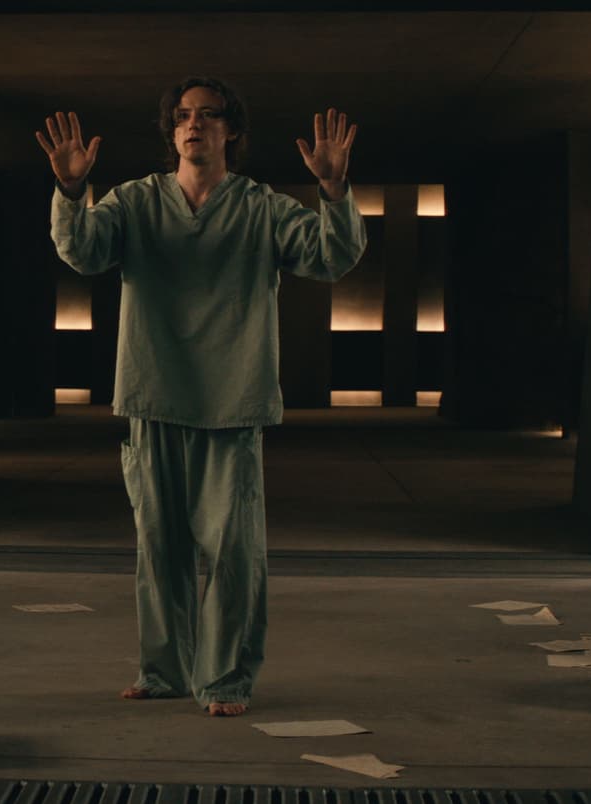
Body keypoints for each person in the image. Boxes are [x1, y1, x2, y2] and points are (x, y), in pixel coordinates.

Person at [35, 76, 366, 717]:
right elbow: (83, 251)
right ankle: (163, 672)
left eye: (209, 115)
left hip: (231, 399)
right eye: (184, 115)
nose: (195, 124)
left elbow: (331, 256)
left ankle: (225, 679)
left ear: (230, 130)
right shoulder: (136, 201)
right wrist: (72, 191)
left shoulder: (260, 207)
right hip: (153, 392)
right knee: (159, 550)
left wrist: (333, 190)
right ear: (172, 129)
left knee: (234, 552)